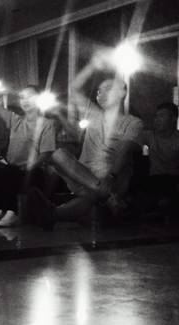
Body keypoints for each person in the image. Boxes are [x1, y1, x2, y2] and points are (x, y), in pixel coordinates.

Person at [28, 53, 143, 229]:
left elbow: (124, 151)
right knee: (59, 154)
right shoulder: (93, 114)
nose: (100, 93)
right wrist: (91, 66)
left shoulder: (133, 122)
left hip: (113, 178)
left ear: (122, 92)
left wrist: (110, 176)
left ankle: (55, 214)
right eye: (99, 90)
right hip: (84, 174)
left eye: (108, 88)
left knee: (90, 199)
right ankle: (108, 198)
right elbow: (73, 89)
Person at [0, 77, 56, 226]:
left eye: (30, 97)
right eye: (22, 97)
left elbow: (46, 153)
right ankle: (0, 209)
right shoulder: (15, 120)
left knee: (10, 171)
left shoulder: (47, 124)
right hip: (12, 168)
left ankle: (12, 211)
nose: (25, 100)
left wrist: (29, 165)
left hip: (33, 171)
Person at [133, 102, 179, 214]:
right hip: (153, 179)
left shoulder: (177, 139)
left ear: (173, 119)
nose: (157, 120)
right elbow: (131, 144)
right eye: (156, 116)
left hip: (173, 180)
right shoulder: (149, 135)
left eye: (162, 116)